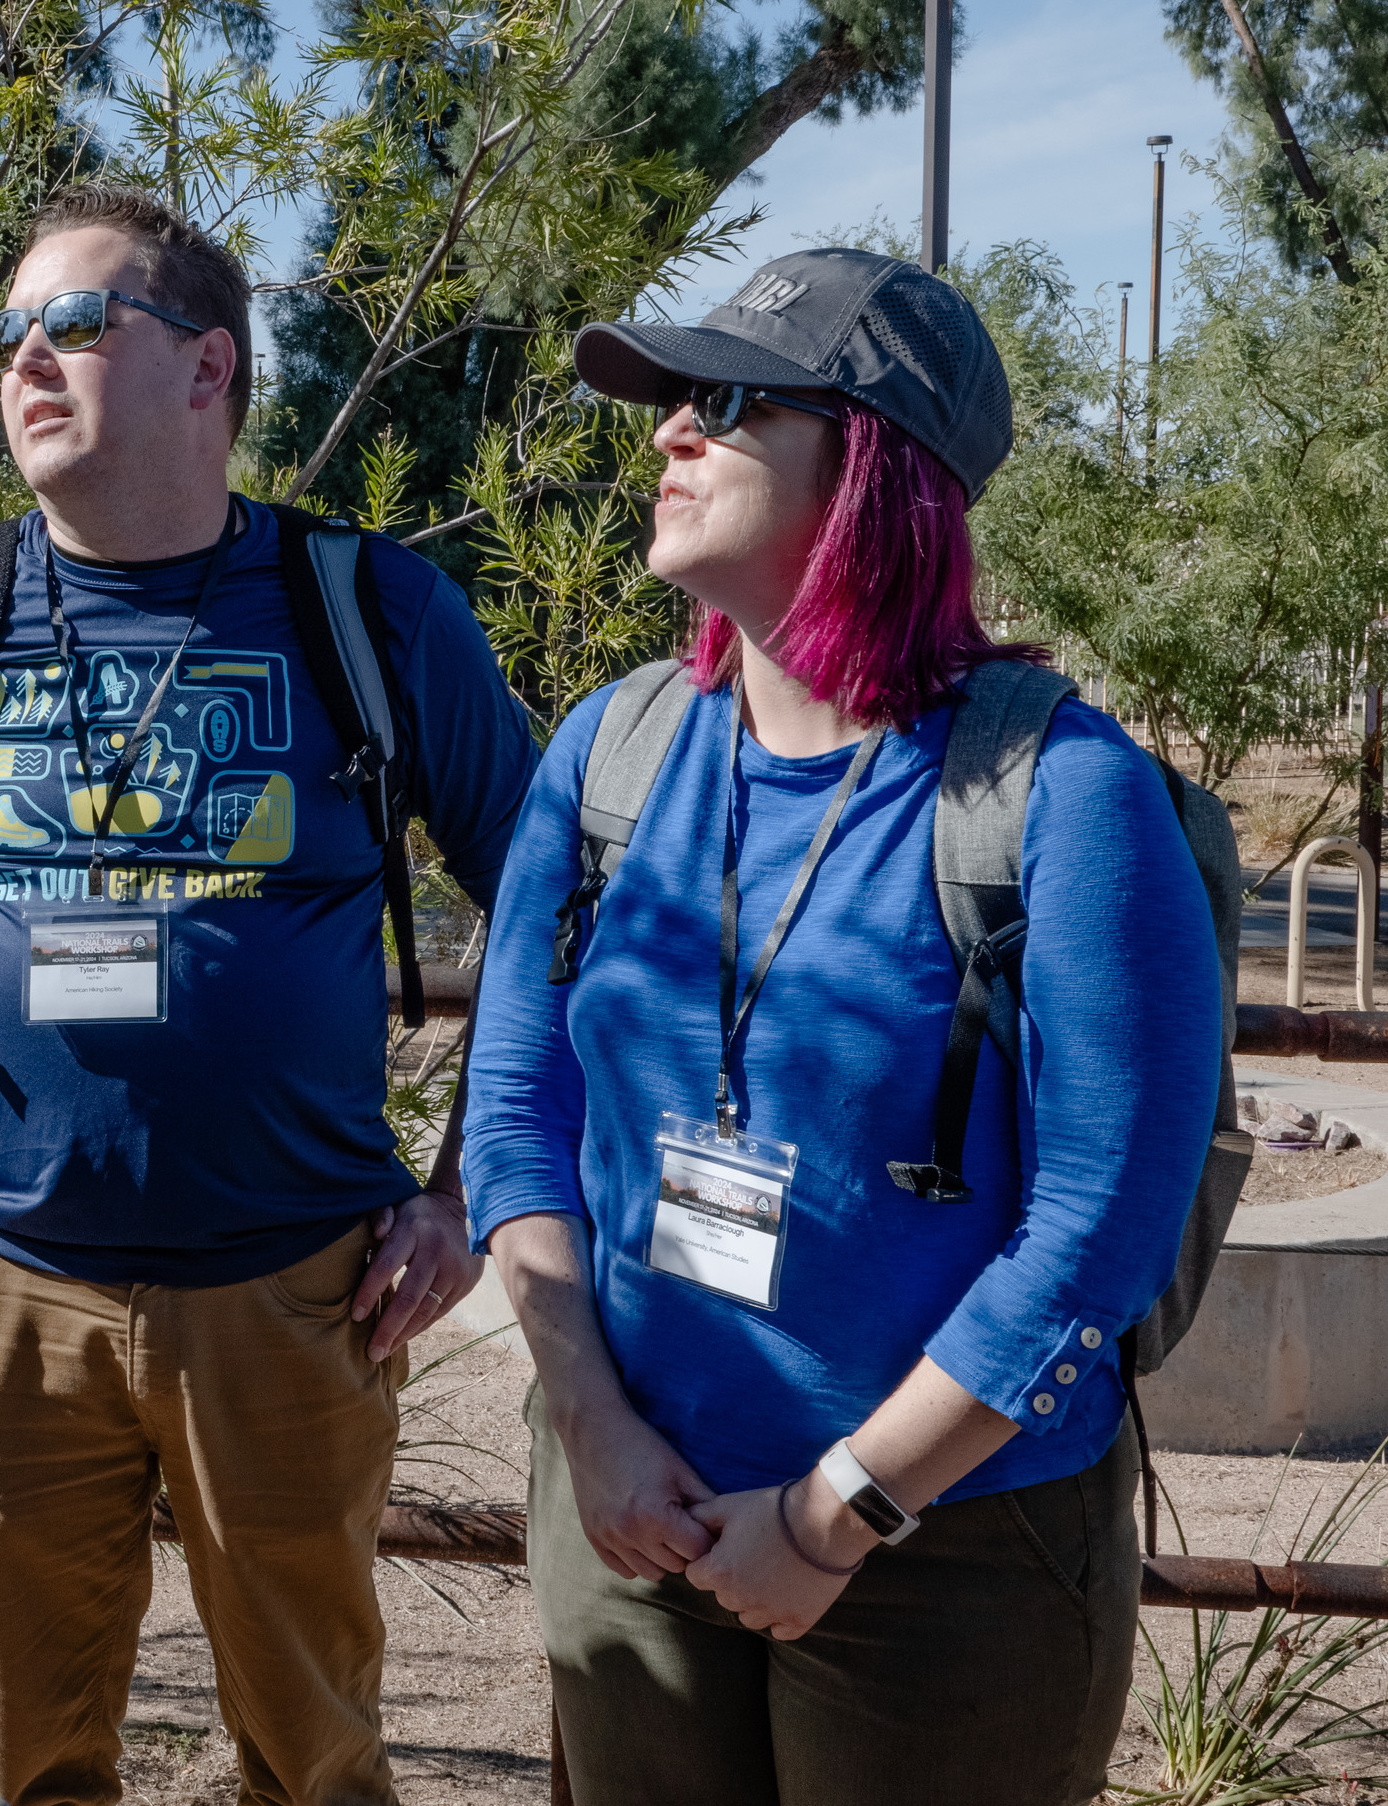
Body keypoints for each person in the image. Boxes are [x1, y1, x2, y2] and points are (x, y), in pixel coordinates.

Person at [0, 183, 541, 1806]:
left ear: (210, 373)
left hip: (294, 1295)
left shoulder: (374, 610)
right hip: (3, 1294)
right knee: (25, 1759)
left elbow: (552, 914)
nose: (24, 362)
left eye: (73, 323)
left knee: (310, 1753)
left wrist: (470, 1189)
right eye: (7, 334)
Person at [461, 248, 1223, 1804]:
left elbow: (1100, 1228)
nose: (669, 433)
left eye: (727, 401)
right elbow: (513, 1120)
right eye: (672, 399)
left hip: (953, 1552)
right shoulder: (609, 752)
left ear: (877, 470)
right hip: (631, 1513)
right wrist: (592, 1428)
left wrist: (837, 1514)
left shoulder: (1063, 797)